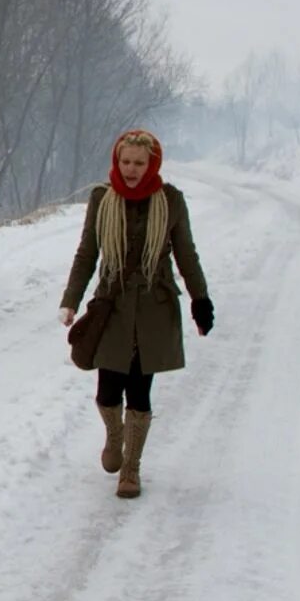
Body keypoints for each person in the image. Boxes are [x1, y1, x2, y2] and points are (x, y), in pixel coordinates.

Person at [58, 129, 213, 499]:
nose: (131, 169)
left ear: (152, 164)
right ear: (117, 161)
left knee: (140, 390)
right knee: (108, 389)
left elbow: (186, 253)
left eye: (139, 163)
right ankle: (115, 436)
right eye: (126, 161)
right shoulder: (102, 199)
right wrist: (70, 300)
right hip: (111, 305)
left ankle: (131, 469)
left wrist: (200, 299)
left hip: (154, 308)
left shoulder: (170, 200)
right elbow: (87, 254)